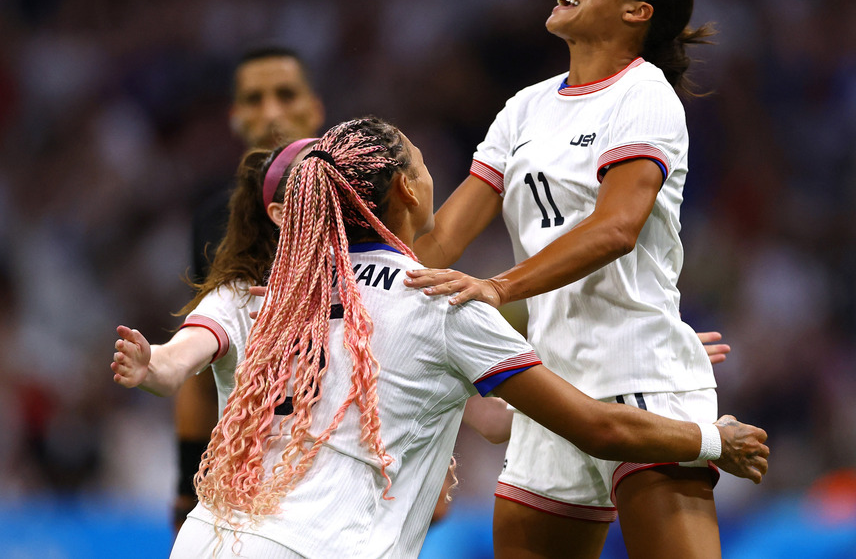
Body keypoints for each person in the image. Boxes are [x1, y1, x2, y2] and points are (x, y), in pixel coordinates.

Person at [114, 117, 768, 558]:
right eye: (426, 167)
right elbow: (589, 429)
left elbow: (174, 366)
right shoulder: (443, 301)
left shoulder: (252, 297)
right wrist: (709, 436)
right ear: (406, 189)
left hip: (205, 543)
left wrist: (154, 368)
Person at [404, 0, 734, 558]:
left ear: (637, 11)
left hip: (637, 371)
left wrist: (499, 286)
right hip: (550, 387)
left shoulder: (645, 95)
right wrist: (337, 280)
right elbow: (439, 241)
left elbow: (616, 229)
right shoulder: (524, 108)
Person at [175, 45, 326, 529]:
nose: (272, 113)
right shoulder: (213, 219)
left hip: (349, 462)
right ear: (236, 116)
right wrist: (185, 484)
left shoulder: (366, 204)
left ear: (315, 107)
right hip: (249, 475)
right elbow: (202, 353)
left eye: (285, 94)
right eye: (255, 99)